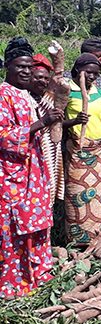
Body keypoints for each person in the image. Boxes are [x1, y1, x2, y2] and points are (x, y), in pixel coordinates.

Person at [0, 37, 60, 297]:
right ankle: (14, 283)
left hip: (32, 171)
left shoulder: (24, 96)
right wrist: (41, 123)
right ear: (8, 67)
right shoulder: (3, 94)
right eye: (20, 66)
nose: (25, 71)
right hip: (11, 174)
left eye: (28, 66)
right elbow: (3, 135)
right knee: (13, 226)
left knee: (34, 222)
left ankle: (36, 275)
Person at [62, 53, 101, 246]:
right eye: (89, 73)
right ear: (78, 70)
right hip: (79, 152)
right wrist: (74, 121)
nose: (92, 77)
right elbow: (55, 123)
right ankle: (79, 243)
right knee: (78, 197)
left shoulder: (95, 90)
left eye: (96, 74)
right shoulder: (67, 90)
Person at [28, 53, 65, 203]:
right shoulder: (24, 98)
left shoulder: (49, 99)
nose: (42, 81)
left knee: (47, 196)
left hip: (50, 152)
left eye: (45, 78)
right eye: (37, 77)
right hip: (33, 153)